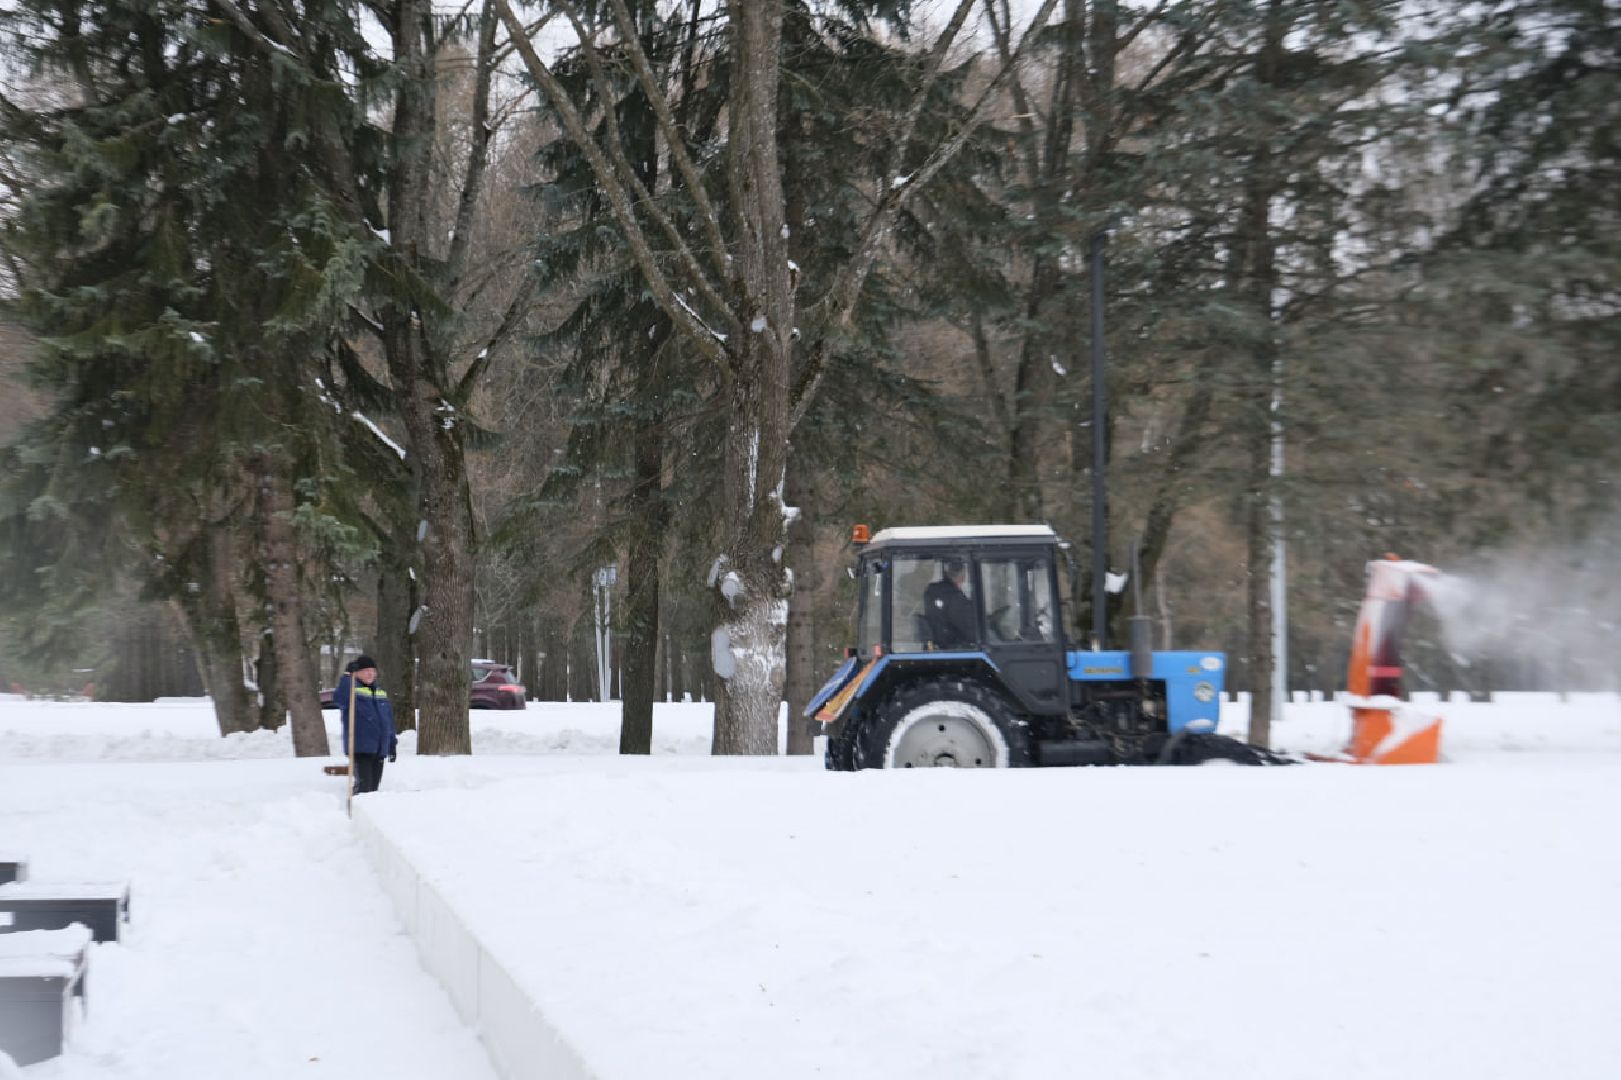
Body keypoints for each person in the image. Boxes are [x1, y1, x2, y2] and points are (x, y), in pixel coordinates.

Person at [336, 655, 397, 795]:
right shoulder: (351, 689)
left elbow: (388, 721)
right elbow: (340, 699)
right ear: (357, 673)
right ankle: (356, 807)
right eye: (366, 671)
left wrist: (391, 743)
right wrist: (348, 677)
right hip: (360, 748)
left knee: (374, 789)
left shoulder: (380, 693)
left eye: (373, 671)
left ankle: (369, 808)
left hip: (379, 749)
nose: (370, 674)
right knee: (364, 788)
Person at [922, 558, 978, 648]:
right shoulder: (954, 596)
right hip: (952, 645)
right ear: (962, 575)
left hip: (937, 643)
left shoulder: (932, 591)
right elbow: (966, 625)